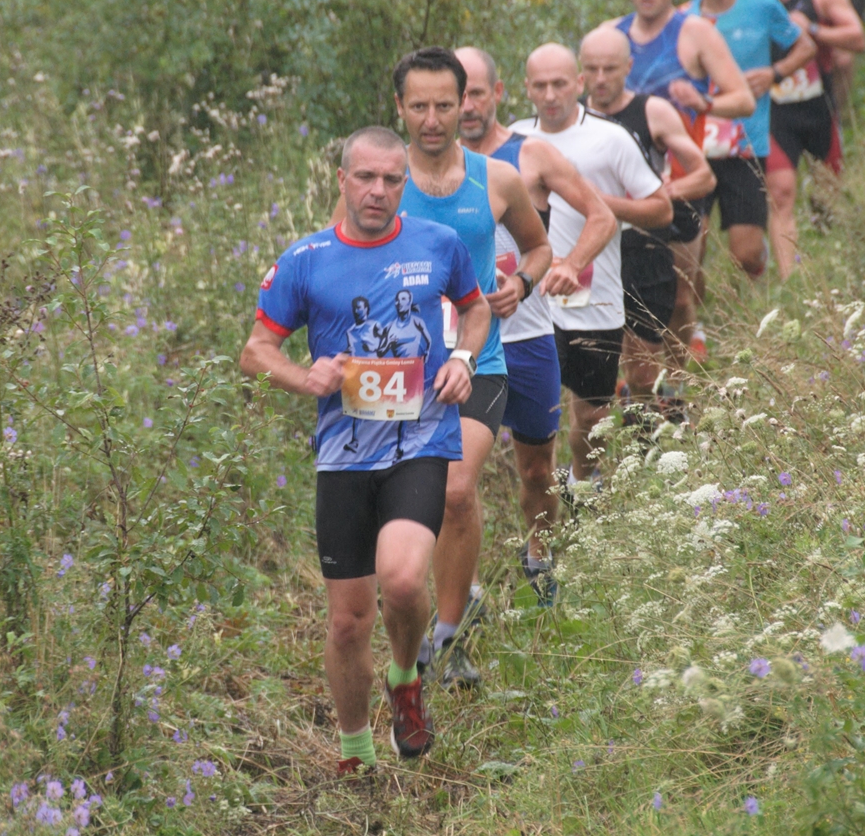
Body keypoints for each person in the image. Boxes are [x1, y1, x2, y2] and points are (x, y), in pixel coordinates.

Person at [240, 125, 489, 774]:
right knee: (349, 622)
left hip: (422, 438)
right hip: (345, 455)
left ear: (403, 183)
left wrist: (462, 358)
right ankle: (355, 752)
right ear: (343, 180)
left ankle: (406, 677)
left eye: (391, 179)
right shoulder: (306, 259)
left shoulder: (439, 244)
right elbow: (255, 350)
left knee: (404, 581)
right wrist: (305, 375)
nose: (378, 191)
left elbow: (477, 309)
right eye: (366, 178)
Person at [332, 47, 553, 689]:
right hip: (392, 373)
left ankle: (450, 638)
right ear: (399, 108)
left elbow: (537, 246)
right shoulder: (377, 185)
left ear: (469, 104)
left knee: (456, 491)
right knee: (387, 503)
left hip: (476, 359)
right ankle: (407, 616)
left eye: (445, 104)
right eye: (419, 106)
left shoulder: (496, 180)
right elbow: (337, 261)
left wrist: (522, 283)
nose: (433, 119)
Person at [456, 45, 617, 606]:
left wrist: (569, 264)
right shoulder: (424, 168)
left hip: (525, 337)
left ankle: (539, 556)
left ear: (498, 94)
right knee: (455, 480)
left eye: (479, 92)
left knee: (535, 470)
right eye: (460, 94)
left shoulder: (532, 155)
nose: (468, 105)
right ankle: (461, 590)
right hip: (453, 348)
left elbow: (602, 215)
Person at [510, 44, 672, 489]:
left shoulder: (610, 137)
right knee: (535, 408)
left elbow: (661, 209)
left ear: (579, 84)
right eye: (539, 85)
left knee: (593, 412)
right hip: (529, 295)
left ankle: (584, 477)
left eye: (560, 83)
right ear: (526, 89)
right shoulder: (513, 139)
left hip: (592, 292)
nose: (550, 94)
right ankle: (541, 489)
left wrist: (593, 200)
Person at [606, 0, 754, 364]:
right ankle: (634, 379)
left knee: (680, 293)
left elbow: (743, 100)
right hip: (624, 187)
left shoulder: (695, 32)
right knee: (620, 292)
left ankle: (676, 380)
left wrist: (703, 102)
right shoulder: (610, 36)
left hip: (682, 180)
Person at [577, 26, 714, 401]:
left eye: (610, 68)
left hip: (662, 219)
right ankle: (638, 389)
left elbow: (704, 175)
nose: (601, 79)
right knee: (622, 319)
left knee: (681, 301)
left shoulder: (652, 111)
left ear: (628, 67)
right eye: (592, 69)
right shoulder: (572, 119)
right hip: (608, 229)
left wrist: (665, 191)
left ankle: (675, 378)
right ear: (581, 71)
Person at [680, 0, 816, 289]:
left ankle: (758, 265)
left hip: (745, 142)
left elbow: (805, 46)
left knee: (746, 253)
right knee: (693, 246)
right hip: (696, 145)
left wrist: (775, 72)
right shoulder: (684, 17)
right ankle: (695, 326)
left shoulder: (762, 8)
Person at [755, 0, 865, 281]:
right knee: (782, 193)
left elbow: (857, 38)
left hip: (819, 108)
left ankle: (828, 259)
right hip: (776, 111)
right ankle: (789, 280)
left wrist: (814, 29)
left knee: (828, 195)